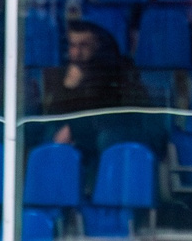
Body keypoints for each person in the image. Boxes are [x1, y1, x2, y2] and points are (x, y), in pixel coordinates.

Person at [41, 19, 139, 156]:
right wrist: (67, 88)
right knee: (48, 133)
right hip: (74, 134)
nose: (76, 52)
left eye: (83, 46)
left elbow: (104, 116)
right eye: (72, 45)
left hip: (100, 135)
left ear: (97, 45)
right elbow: (53, 116)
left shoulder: (113, 71)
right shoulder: (65, 73)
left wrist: (73, 130)